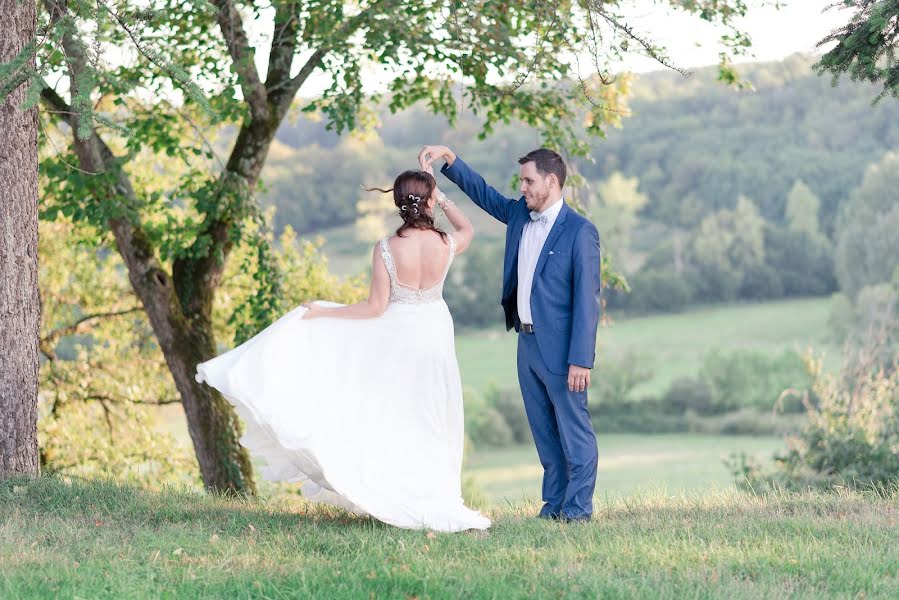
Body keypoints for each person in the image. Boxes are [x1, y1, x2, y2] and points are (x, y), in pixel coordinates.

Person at [195, 168, 490, 532]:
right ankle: (435, 493)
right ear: (427, 202)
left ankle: (398, 489)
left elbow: (375, 308)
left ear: (399, 202)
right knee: (433, 411)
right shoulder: (445, 243)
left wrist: (324, 313)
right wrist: (441, 196)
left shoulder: (386, 248)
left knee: (395, 411)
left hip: (397, 337)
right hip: (434, 333)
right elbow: (469, 230)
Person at [419, 145, 601, 522]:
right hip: (527, 343)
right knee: (545, 434)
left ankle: (579, 510)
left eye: (528, 181)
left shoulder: (581, 232)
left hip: (564, 350)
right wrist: (452, 160)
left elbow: (588, 300)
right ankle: (554, 507)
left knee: (574, 433)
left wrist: (580, 359)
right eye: (521, 181)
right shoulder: (519, 214)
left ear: (552, 182)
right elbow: (486, 195)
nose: (522, 188)